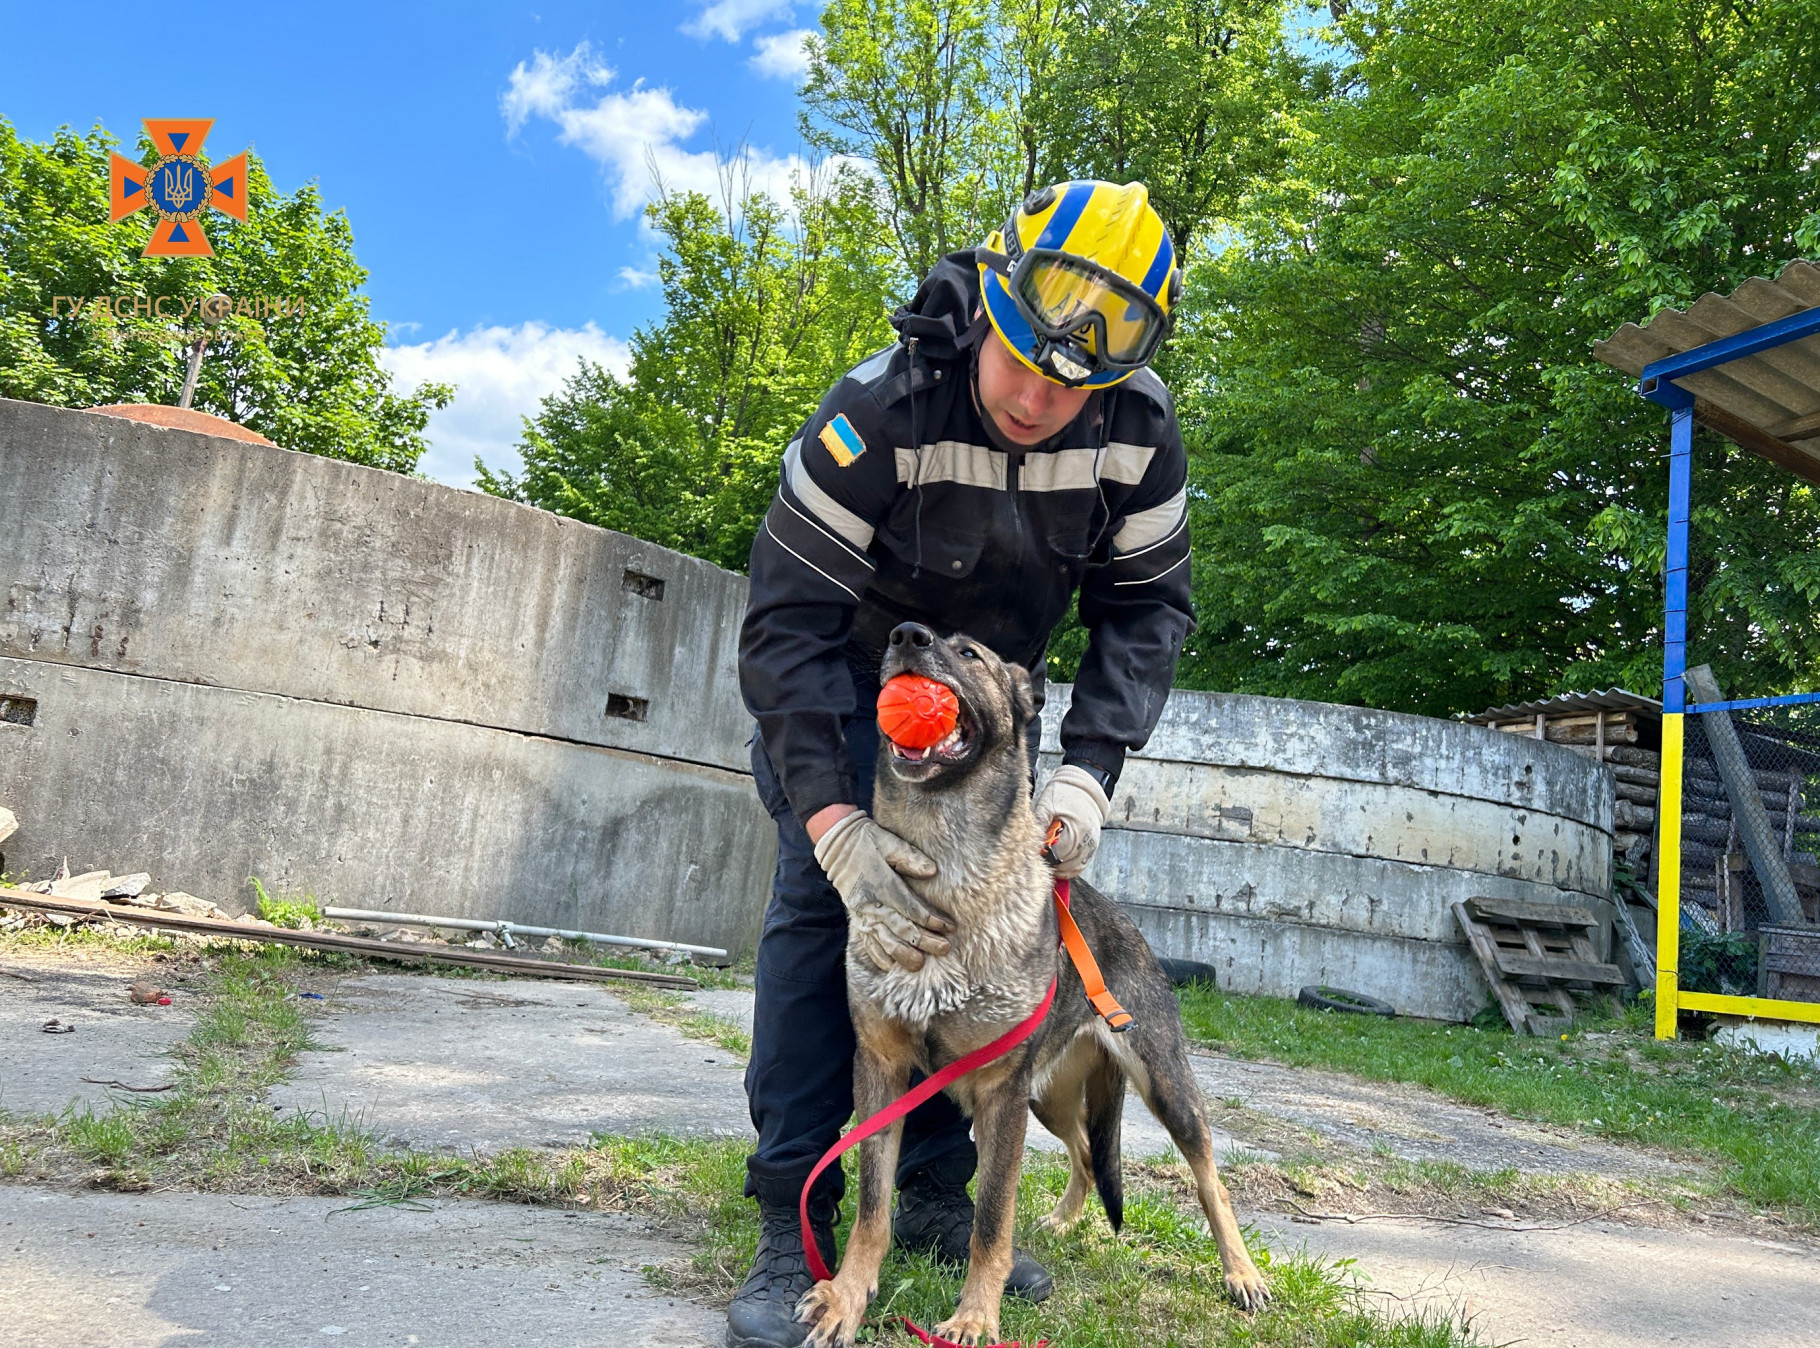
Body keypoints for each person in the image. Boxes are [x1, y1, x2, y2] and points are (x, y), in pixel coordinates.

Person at [729, 179, 1193, 1348]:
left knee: (982, 950)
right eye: (1020, 364)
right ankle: (800, 1208)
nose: (1038, 399)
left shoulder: (1136, 438)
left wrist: (1087, 771)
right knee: (824, 921)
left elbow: (1146, 613)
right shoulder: (875, 414)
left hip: (991, 723)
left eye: (1070, 383)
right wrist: (833, 832)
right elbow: (781, 624)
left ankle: (935, 1188)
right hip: (846, 700)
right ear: (989, 300)